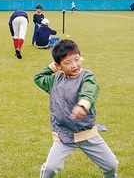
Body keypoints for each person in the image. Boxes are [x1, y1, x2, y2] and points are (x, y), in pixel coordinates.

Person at [33, 39, 118, 178]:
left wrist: (83, 105)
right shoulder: (54, 81)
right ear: (59, 65)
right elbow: (38, 77)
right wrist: (53, 67)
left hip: (87, 134)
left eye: (77, 60)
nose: (74, 65)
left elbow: (90, 90)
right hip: (63, 136)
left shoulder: (86, 76)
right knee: (50, 168)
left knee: (111, 164)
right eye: (67, 62)